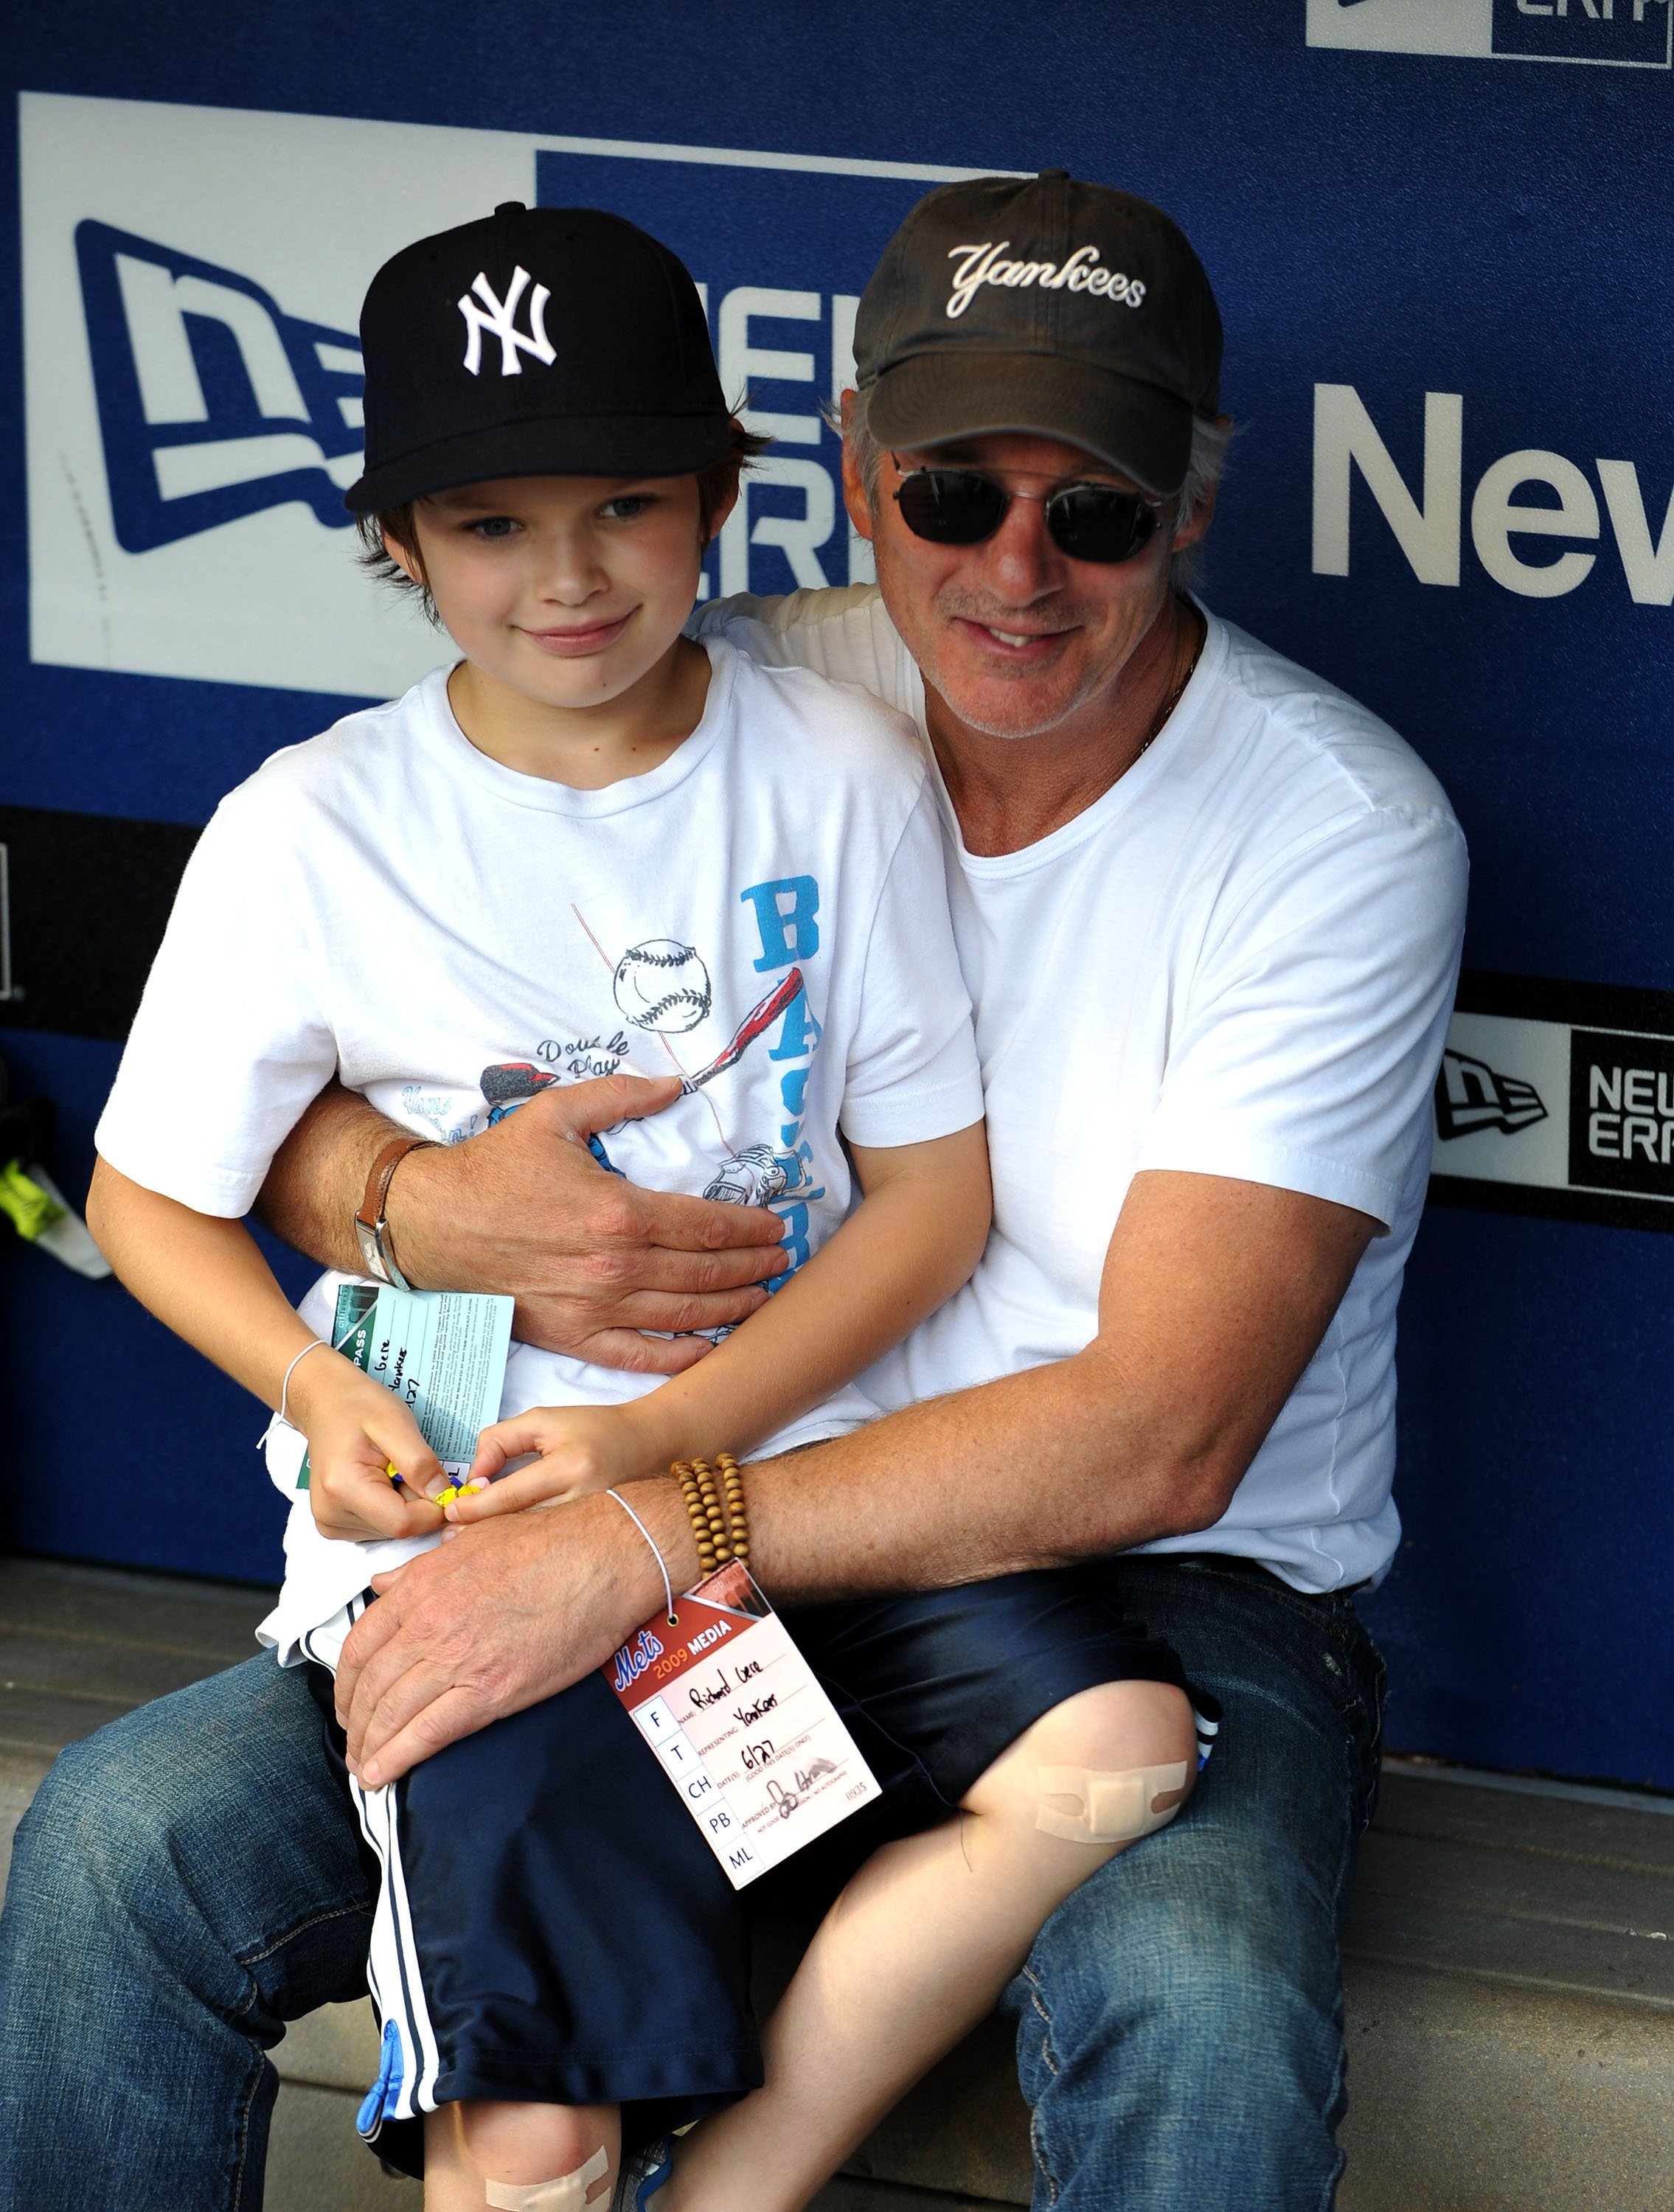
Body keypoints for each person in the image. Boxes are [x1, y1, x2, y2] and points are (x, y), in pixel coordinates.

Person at [0, 172, 1467, 2211]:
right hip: (626, 1515)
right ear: (859, 478)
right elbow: (266, 1123)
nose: (1018, 572)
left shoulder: (1325, 828)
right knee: (117, 1845)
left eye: (1100, 513)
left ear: (1195, 506)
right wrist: (422, 1208)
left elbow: (1164, 1433)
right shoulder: (723, 684)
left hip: (1126, 1578)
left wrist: (650, 1516)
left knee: (1199, 1994)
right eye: (959, 497)